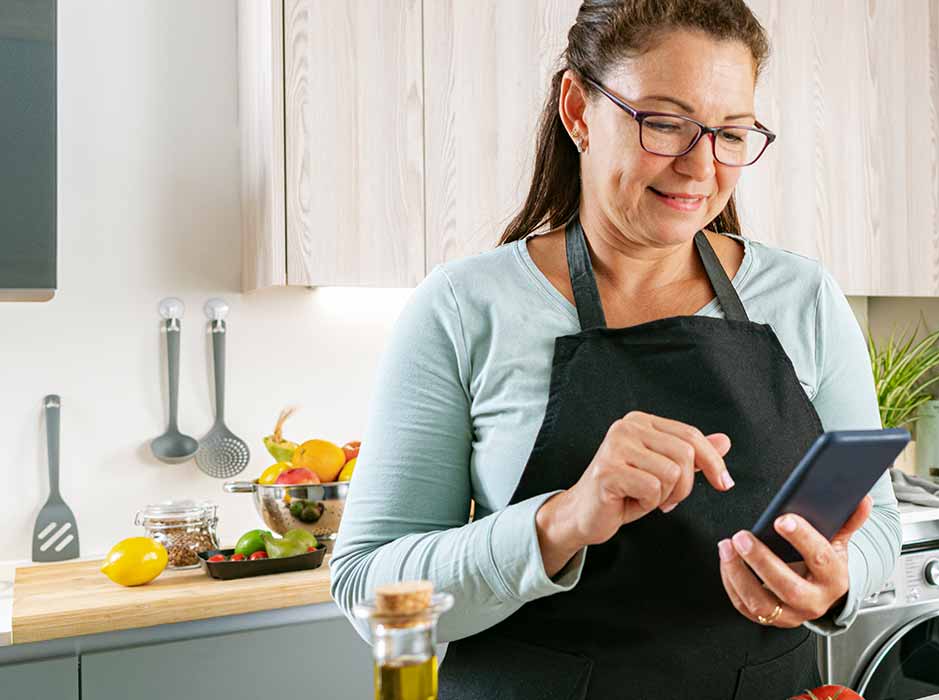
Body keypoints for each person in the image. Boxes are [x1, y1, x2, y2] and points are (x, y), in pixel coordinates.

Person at [328, 1, 900, 697]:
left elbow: (875, 526)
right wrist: (561, 520)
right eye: (664, 123)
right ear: (578, 109)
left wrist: (835, 583)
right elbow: (367, 586)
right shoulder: (462, 307)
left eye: (731, 133)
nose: (700, 167)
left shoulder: (804, 296)